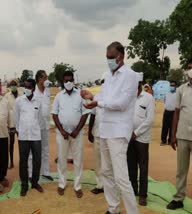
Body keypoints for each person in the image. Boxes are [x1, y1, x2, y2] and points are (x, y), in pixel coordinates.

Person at [81, 42, 139, 214]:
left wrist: (98, 102)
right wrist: (92, 96)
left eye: (111, 57)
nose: (109, 60)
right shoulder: (109, 76)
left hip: (119, 132)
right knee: (106, 172)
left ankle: (132, 212)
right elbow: (104, 96)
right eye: (107, 57)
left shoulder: (130, 76)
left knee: (121, 178)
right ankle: (113, 208)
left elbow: (121, 104)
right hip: (105, 131)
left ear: (121, 56)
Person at [52, 71, 89, 198]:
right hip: (62, 134)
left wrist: (77, 130)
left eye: (70, 80)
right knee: (62, 159)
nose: (68, 83)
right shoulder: (58, 96)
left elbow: (85, 113)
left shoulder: (80, 95)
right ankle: (62, 184)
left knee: (78, 160)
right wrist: (62, 130)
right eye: (66, 80)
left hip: (76, 134)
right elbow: (54, 114)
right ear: (63, 82)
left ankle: (77, 186)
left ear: (74, 81)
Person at [166, 64, 192, 210]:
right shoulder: (181, 89)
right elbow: (176, 112)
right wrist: (173, 135)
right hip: (182, 135)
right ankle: (178, 198)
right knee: (181, 170)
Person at [127, 73, 155, 206]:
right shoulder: (128, 98)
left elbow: (149, 120)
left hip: (142, 138)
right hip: (129, 137)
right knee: (131, 166)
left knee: (143, 167)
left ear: (139, 85)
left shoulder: (148, 98)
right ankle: (134, 190)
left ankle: (143, 195)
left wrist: (136, 133)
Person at [15, 79, 44, 197]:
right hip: (23, 136)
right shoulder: (19, 101)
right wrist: (19, 130)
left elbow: (41, 119)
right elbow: (16, 118)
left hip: (36, 135)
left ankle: (35, 182)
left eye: (29, 87)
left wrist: (36, 129)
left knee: (37, 160)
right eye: (25, 87)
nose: (26, 89)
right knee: (23, 161)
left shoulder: (38, 101)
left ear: (33, 88)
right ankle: (24, 185)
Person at [28, 70, 53, 181]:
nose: (46, 80)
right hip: (35, 126)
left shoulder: (48, 90)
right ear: (39, 79)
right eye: (45, 78)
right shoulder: (33, 92)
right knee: (32, 151)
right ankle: (30, 173)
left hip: (45, 125)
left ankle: (45, 171)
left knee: (45, 149)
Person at [87, 79, 105, 195]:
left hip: (110, 135)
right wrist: (90, 131)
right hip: (97, 133)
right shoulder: (97, 97)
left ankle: (109, 185)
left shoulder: (114, 97)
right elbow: (93, 115)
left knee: (109, 162)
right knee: (98, 161)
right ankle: (100, 185)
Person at [4, 80, 20, 169]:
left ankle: (23, 161)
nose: (13, 86)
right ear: (10, 87)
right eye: (12, 85)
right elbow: (6, 110)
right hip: (11, 123)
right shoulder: (6, 96)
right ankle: (11, 162)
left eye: (15, 85)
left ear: (17, 86)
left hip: (20, 123)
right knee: (11, 143)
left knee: (22, 143)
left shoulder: (21, 96)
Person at [161, 80, 177, 146]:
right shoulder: (166, 93)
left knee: (172, 127)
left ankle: (170, 140)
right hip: (167, 112)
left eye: (173, 85)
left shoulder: (177, 94)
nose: (172, 86)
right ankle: (163, 141)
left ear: (176, 86)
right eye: (171, 85)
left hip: (174, 113)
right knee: (165, 126)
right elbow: (165, 101)